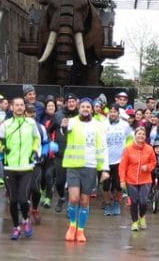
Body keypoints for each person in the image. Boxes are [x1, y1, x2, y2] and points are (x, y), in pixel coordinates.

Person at [62, 98, 109, 243]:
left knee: (84, 201)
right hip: (73, 166)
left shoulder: (98, 125)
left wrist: (104, 169)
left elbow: (102, 147)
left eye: (88, 106)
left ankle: (81, 230)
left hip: (90, 166)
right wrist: (63, 127)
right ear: (78, 108)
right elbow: (64, 131)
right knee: (74, 198)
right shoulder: (71, 122)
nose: (85, 109)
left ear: (92, 109)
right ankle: (72, 226)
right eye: (82, 106)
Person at [0, 97, 41, 240]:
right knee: (13, 200)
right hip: (10, 167)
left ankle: (25, 220)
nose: (20, 107)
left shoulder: (31, 123)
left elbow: (37, 139)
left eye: (22, 105)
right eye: (17, 105)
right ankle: (16, 227)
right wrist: (2, 148)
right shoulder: (5, 124)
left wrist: (34, 150)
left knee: (23, 199)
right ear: (12, 107)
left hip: (26, 167)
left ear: (24, 108)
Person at [119, 127, 157, 231]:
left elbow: (153, 162)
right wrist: (122, 180)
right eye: (139, 134)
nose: (141, 136)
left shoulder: (149, 149)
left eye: (143, 134)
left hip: (145, 180)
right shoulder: (128, 149)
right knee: (134, 202)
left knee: (143, 201)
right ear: (135, 135)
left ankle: (142, 216)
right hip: (131, 180)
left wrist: (147, 167)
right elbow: (122, 166)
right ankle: (135, 222)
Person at [50, 93, 79, 213]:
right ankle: (62, 197)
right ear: (66, 103)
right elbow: (49, 129)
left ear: (76, 103)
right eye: (69, 101)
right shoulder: (58, 115)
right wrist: (59, 125)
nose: (71, 103)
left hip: (76, 154)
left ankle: (71, 206)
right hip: (61, 154)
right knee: (60, 181)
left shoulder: (81, 116)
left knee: (73, 182)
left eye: (73, 101)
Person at [103, 105, 134, 217]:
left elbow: (131, 138)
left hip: (120, 160)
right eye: (111, 111)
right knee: (106, 185)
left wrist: (128, 152)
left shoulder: (124, 125)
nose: (112, 113)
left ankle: (116, 203)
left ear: (118, 114)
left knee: (118, 185)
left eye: (115, 111)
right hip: (105, 160)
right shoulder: (104, 124)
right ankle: (107, 204)